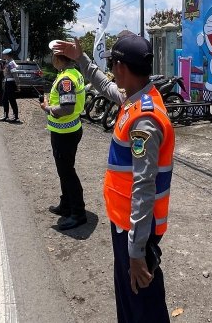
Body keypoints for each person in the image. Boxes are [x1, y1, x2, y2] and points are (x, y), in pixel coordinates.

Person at [53, 32, 174, 323]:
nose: (111, 71)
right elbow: (104, 85)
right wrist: (80, 58)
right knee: (132, 300)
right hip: (126, 223)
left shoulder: (144, 118)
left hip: (136, 229)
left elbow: (143, 188)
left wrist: (136, 250)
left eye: (113, 65)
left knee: (142, 303)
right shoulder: (135, 98)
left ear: (121, 67)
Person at [42, 41, 87, 231]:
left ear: (59, 58)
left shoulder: (66, 79)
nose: (52, 59)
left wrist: (48, 108)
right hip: (66, 130)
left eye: (53, 56)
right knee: (64, 171)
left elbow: (66, 108)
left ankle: (78, 213)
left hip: (65, 132)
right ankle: (66, 204)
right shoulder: (71, 73)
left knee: (67, 173)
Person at [0, 48, 20, 123]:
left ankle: (16, 116)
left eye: (4, 55)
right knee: (4, 100)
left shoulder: (11, 63)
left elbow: (15, 75)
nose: (3, 56)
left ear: (7, 55)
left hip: (11, 83)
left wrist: (18, 85)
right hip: (7, 83)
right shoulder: (8, 62)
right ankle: (6, 116)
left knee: (12, 100)